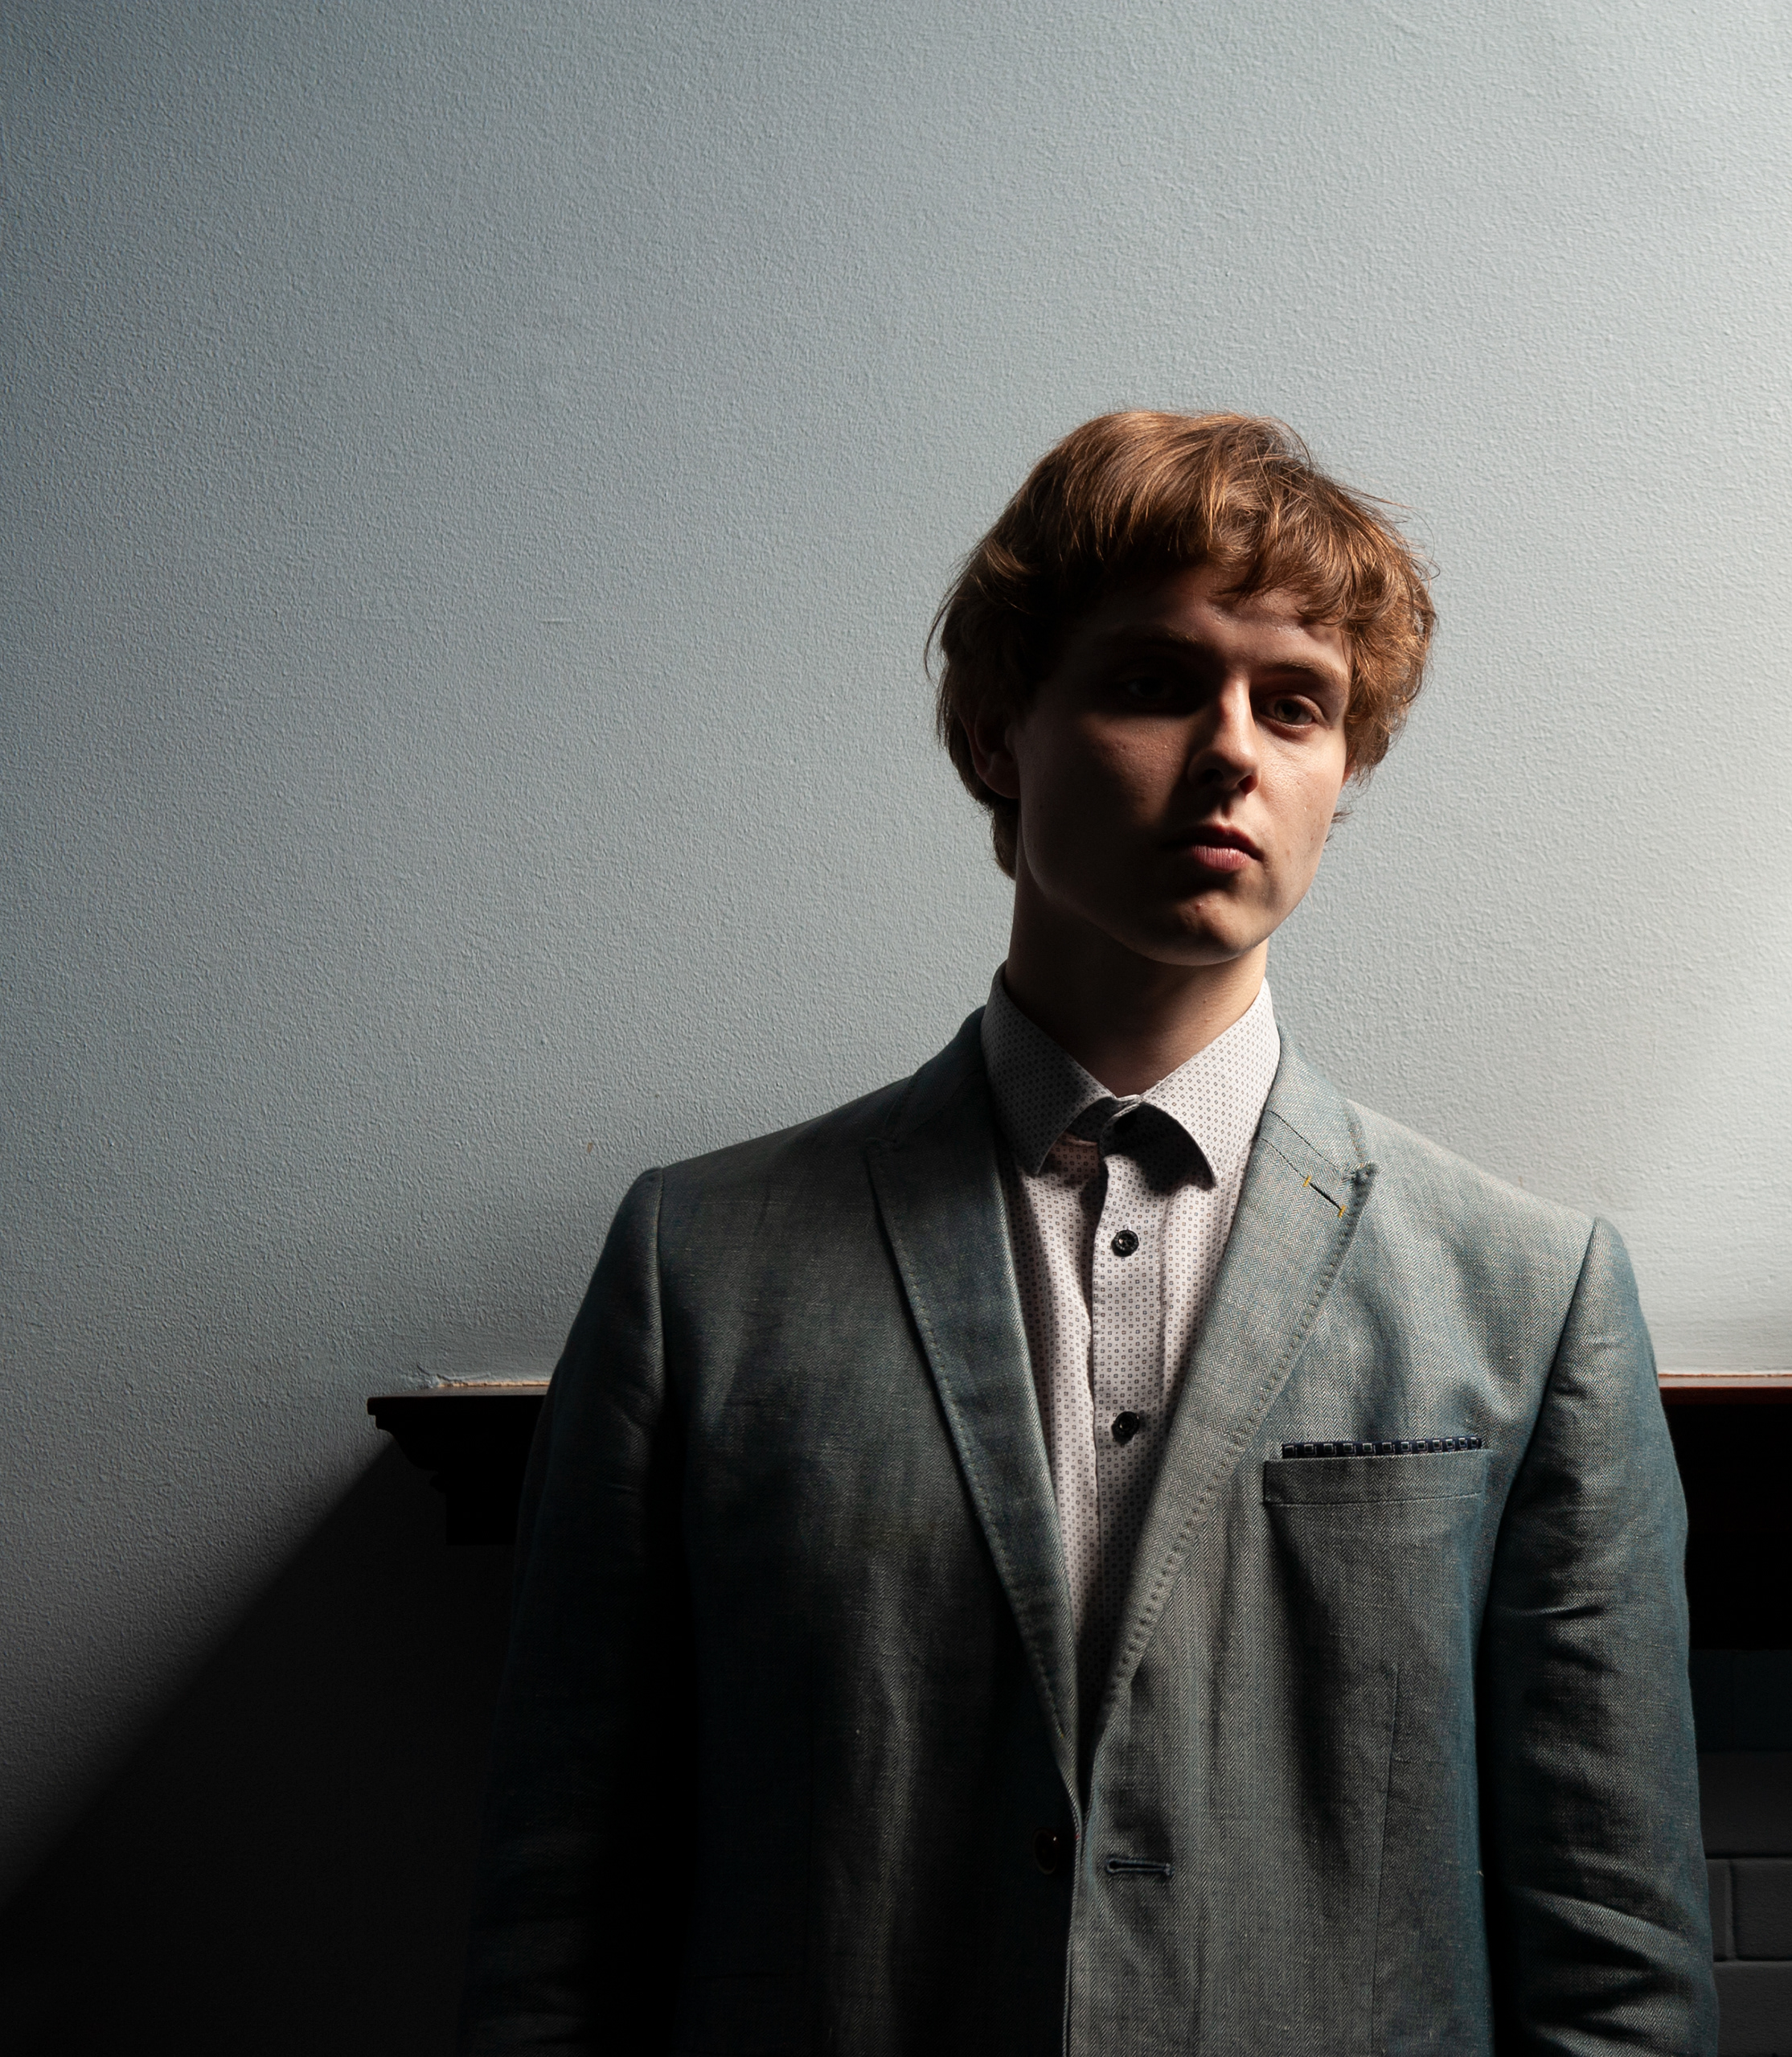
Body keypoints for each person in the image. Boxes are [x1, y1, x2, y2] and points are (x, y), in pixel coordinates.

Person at [459, 412, 1716, 2055]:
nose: (1234, 751)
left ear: (1344, 773)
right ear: (999, 732)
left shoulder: (1530, 1295)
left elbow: (1616, 1958)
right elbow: (561, 1929)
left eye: (1297, 703)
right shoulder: (699, 1269)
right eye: (1153, 681)